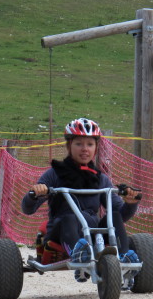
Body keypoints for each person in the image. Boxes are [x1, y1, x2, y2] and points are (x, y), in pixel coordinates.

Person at [21, 118, 141, 278]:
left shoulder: (101, 180)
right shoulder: (54, 174)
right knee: (69, 218)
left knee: (115, 216)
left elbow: (121, 215)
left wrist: (131, 204)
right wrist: (35, 194)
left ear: (96, 148)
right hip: (63, 230)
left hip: (91, 232)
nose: (85, 149)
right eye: (79, 144)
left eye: (90, 144)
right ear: (69, 146)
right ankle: (79, 255)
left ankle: (124, 258)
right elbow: (27, 209)